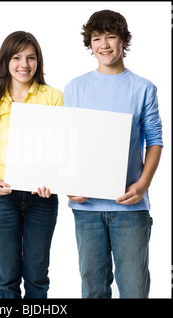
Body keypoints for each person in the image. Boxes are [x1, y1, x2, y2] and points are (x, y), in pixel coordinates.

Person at [64, 10, 163, 298]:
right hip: (86, 209)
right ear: (90, 44)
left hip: (130, 206)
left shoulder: (143, 88)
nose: (104, 44)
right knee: (93, 289)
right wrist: (69, 184)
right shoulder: (74, 88)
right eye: (97, 38)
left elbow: (154, 141)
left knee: (134, 289)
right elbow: (67, 143)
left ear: (123, 41)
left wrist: (143, 184)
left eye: (111, 36)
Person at [0, 31, 63, 298]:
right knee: (8, 276)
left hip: (41, 198)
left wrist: (52, 181)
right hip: (4, 197)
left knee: (37, 276)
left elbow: (62, 149)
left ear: (38, 62)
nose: (24, 64)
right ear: (6, 61)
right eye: (17, 57)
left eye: (31, 58)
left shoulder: (53, 97)